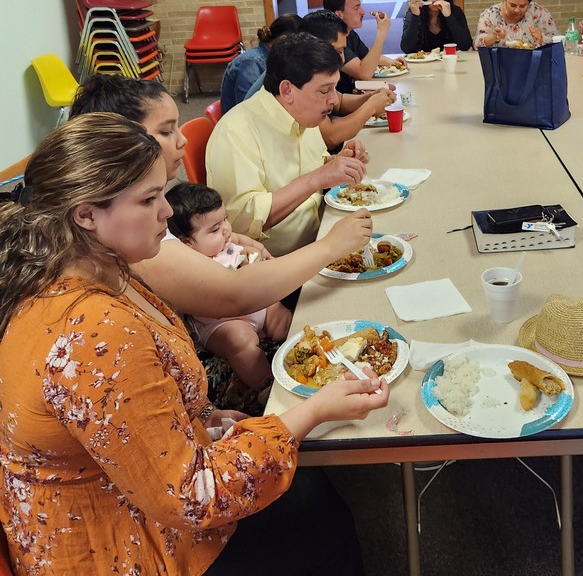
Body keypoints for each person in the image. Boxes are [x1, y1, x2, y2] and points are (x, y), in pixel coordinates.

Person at [0, 114, 388, 576]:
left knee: (303, 491)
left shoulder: (83, 272)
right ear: (86, 214)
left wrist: (201, 419)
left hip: (112, 518)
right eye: (149, 200)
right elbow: (191, 498)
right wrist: (311, 412)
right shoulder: (94, 331)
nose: (167, 212)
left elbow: (121, 419)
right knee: (319, 515)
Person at [68, 73, 373, 409]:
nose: (182, 141)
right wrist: (329, 246)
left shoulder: (137, 217)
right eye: (166, 131)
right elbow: (232, 294)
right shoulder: (133, 236)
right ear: (119, 143)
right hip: (198, 365)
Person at [206, 32, 369, 256]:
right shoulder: (236, 132)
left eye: (335, 88)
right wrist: (318, 178)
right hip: (278, 261)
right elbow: (241, 221)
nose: (333, 99)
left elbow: (310, 165)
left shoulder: (304, 112)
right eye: (324, 90)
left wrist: (337, 163)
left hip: (322, 234)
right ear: (287, 90)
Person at [166, 182, 279, 391]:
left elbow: (249, 244)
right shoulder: (192, 265)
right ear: (186, 244)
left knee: (279, 311)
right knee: (239, 341)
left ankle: (296, 343)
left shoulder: (227, 239)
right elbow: (221, 294)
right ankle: (266, 384)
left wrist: (261, 253)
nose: (226, 229)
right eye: (215, 229)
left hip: (256, 304)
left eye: (225, 219)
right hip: (222, 323)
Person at [299, 10, 397, 146]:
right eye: (338, 51)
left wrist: (371, 97)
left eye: (343, 51)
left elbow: (339, 102)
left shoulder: (320, 73)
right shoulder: (300, 79)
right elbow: (330, 137)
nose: (342, 59)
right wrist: (371, 106)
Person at [322, 0, 400, 92]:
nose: (363, 12)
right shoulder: (333, 39)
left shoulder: (349, 32)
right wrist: (381, 33)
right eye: (356, 8)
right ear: (339, 14)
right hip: (340, 98)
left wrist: (393, 62)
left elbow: (367, 55)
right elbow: (364, 73)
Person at [219, 14, 300, 114]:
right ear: (284, 40)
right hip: (244, 119)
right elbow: (248, 109)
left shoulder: (277, 58)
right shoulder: (250, 62)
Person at [474, 0, 557, 48]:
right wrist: (493, 37)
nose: (517, 10)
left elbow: (558, 42)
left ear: (529, 3)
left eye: (522, 6)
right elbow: (476, 45)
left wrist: (541, 39)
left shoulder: (539, 13)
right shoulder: (489, 16)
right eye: (512, 5)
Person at [400, 0, 472, 54]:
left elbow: (465, 45)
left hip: (450, 59)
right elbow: (406, 49)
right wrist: (415, 16)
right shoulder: (414, 12)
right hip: (423, 61)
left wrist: (449, 16)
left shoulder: (455, 11)